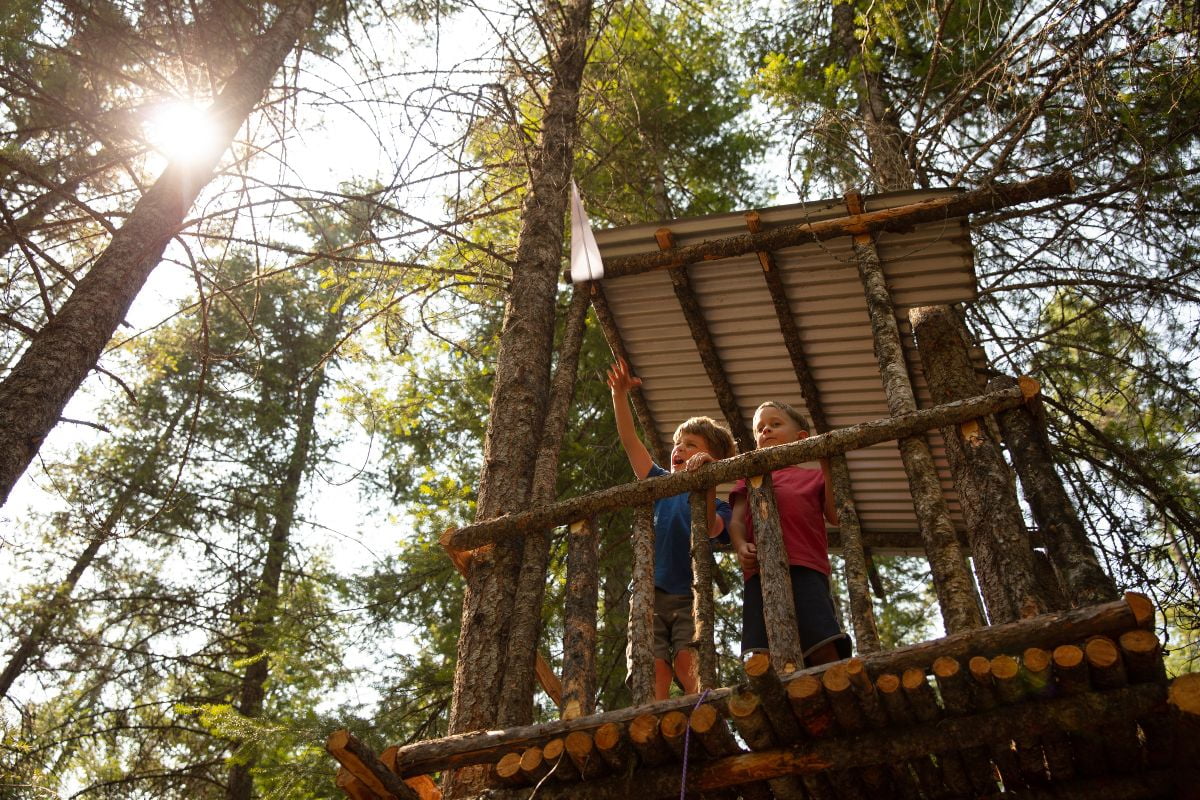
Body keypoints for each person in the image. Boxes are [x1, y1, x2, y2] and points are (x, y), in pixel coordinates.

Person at [607, 357, 736, 699]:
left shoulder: (721, 504)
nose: (680, 449)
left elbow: (710, 526)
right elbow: (629, 441)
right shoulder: (658, 483)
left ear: (714, 460)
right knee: (652, 666)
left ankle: (705, 714)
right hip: (649, 594)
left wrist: (706, 480)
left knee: (688, 660)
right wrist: (619, 395)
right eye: (678, 444)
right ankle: (653, 722)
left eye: (692, 445)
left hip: (689, 596)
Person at [728, 400, 852, 668]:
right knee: (763, 653)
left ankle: (836, 692)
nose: (766, 431)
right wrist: (739, 545)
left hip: (806, 566)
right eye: (759, 429)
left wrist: (826, 464)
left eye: (775, 424)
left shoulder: (813, 477)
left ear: (802, 438)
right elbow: (737, 522)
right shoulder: (748, 478)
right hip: (760, 572)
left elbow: (834, 515)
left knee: (821, 643)